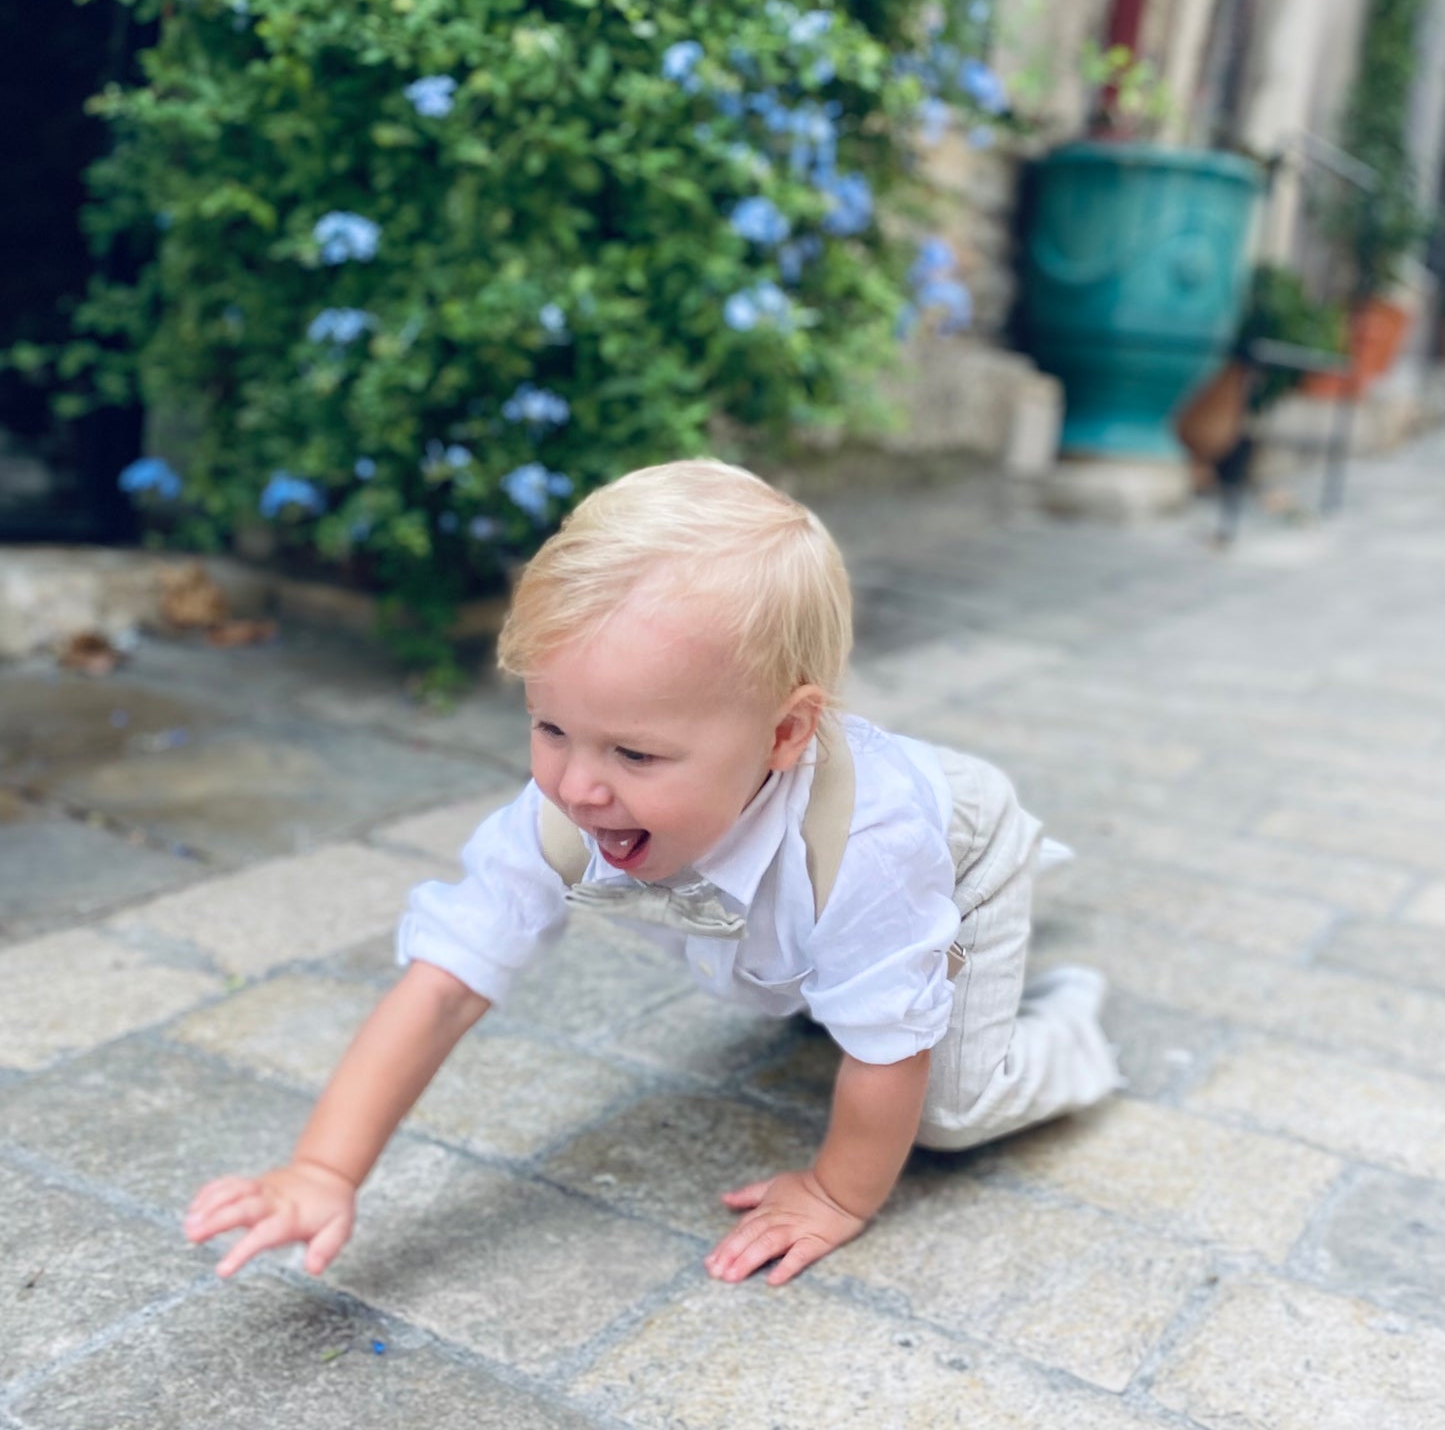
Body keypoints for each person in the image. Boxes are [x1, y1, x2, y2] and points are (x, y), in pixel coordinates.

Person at [185, 461, 1118, 1288]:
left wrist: (837, 1192)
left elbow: (887, 1053)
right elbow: (442, 989)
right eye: (550, 728)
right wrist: (323, 1168)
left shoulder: (867, 846)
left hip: (959, 853)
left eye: (633, 752)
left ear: (785, 733)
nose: (578, 785)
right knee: (827, 971)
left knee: (943, 1108)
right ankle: (841, 971)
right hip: (824, 883)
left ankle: (1066, 1018)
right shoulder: (563, 814)